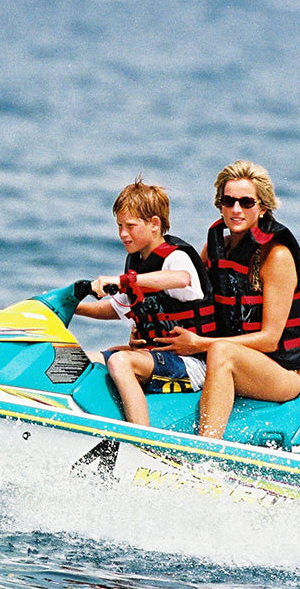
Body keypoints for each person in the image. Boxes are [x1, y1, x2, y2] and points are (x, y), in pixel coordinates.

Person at [153, 160, 300, 438]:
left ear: (263, 207)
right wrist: (152, 331)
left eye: (246, 202)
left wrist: (201, 344)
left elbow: (269, 339)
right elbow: (188, 304)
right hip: (222, 354)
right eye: (229, 201)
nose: (236, 209)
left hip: (281, 372)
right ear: (220, 205)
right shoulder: (215, 247)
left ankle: (205, 451)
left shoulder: (277, 257)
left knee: (221, 352)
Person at [75, 176, 214, 426]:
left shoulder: (176, 257)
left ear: (154, 224)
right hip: (155, 356)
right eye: (119, 226)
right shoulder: (137, 262)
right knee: (84, 360)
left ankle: (140, 436)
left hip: (192, 365)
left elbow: (180, 279)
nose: (122, 234)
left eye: (129, 226)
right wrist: (70, 308)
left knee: (119, 360)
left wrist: (125, 281)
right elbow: (113, 308)